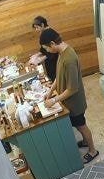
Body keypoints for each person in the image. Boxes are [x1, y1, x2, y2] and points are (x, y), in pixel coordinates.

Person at [40, 27, 99, 162]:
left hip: (75, 103)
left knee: (81, 126)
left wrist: (53, 100)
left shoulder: (69, 59)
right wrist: (50, 91)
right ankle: (85, 142)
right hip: (68, 101)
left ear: (52, 43)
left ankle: (93, 150)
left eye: (47, 48)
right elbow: (58, 75)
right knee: (78, 125)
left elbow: (72, 88)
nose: (47, 51)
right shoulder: (61, 53)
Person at [30, 16, 58, 83]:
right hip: (51, 60)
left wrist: (39, 60)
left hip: (54, 61)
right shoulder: (47, 32)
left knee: (54, 77)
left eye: (37, 27)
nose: (36, 30)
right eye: (35, 28)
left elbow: (51, 52)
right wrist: (36, 55)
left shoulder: (47, 33)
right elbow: (44, 49)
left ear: (42, 24)